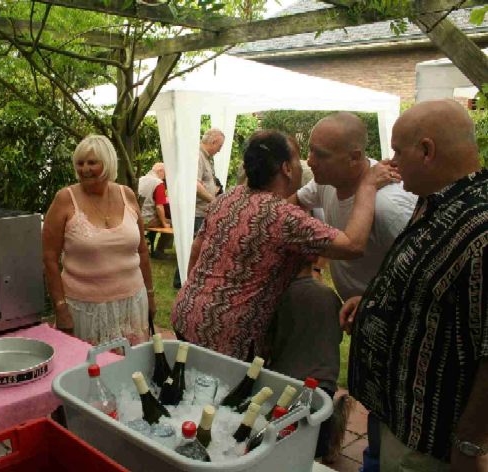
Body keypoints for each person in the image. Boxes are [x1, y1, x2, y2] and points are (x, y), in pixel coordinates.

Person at [342, 100, 488, 472]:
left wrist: (469, 443)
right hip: (397, 416)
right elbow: (432, 285)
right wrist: (372, 300)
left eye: (397, 151)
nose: (391, 162)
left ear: (426, 151)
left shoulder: (481, 228)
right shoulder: (436, 202)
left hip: (427, 442)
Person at [171, 129, 380, 361]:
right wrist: (367, 186)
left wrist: (196, 298)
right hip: (226, 335)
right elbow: (352, 245)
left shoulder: (229, 198)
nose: (305, 164)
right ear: (286, 168)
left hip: (187, 312)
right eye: (298, 160)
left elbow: (196, 249)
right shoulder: (285, 218)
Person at [289, 112, 417, 472]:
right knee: (373, 394)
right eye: (310, 152)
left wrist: (376, 302)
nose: (310, 162)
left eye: (320, 154)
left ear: (356, 157)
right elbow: (293, 203)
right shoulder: (326, 182)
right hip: (361, 312)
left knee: (393, 401)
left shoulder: (389, 206)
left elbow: (419, 271)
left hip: (396, 320)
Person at [42, 135, 155, 346]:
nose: (84, 169)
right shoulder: (65, 199)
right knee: (90, 363)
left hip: (132, 303)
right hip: (85, 309)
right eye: (80, 163)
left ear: (108, 162)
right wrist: (60, 307)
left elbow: (142, 251)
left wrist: (150, 294)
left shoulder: (127, 195)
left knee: (131, 364)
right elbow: (49, 258)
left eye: (92, 162)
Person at [266, 260, 342, 461]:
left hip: (285, 384)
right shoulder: (329, 295)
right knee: (312, 448)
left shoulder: (276, 296)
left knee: (280, 446)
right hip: (322, 385)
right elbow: (337, 335)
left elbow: (266, 344)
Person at [173, 128, 225, 288]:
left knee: (196, 248)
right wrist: (214, 200)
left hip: (202, 210)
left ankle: (185, 280)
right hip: (196, 212)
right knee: (194, 248)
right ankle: (182, 281)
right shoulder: (197, 156)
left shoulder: (206, 158)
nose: (220, 150)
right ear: (213, 141)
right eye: (220, 146)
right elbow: (194, 184)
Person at [138, 162, 172, 258]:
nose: (165, 177)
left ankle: (149, 243)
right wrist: (164, 223)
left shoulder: (140, 179)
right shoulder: (158, 183)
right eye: (165, 173)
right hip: (147, 219)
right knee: (173, 224)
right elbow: (159, 207)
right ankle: (159, 251)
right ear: (160, 171)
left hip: (137, 217)